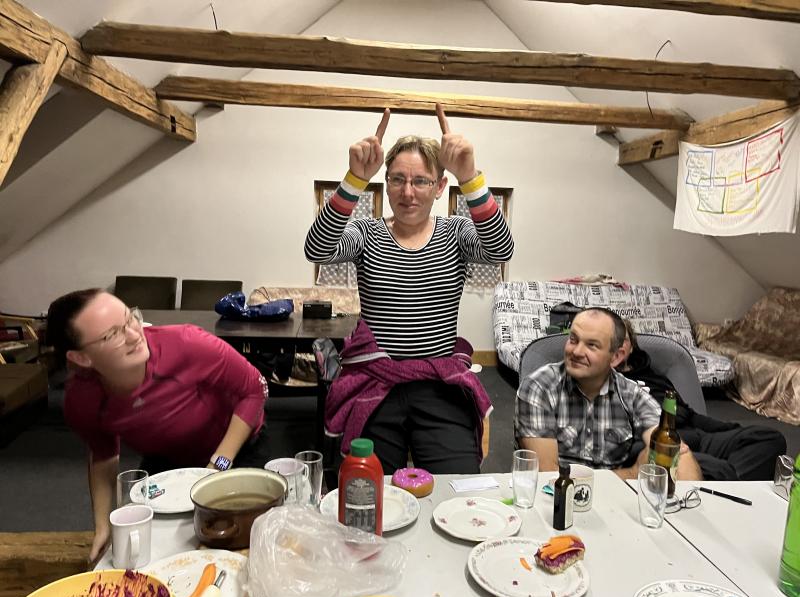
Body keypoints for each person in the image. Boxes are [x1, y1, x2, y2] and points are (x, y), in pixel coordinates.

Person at [305, 105, 514, 474]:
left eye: (420, 181)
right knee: (367, 487)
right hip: (377, 382)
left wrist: (469, 176)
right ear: (386, 184)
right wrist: (354, 180)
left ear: (439, 187)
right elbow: (317, 249)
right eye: (398, 180)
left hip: (438, 383)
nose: (408, 192)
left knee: (457, 488)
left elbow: (500, 249)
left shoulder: (455, 233)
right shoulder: (367, 232)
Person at [46, 289, 270, 561]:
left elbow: (255, 388)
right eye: (112, 335)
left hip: (235, 449)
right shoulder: (82, 400)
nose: (134, 335)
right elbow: (103, 454)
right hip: (167, 461)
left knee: (238, 540)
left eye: (130, 318)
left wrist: (217, 466)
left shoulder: (186, 343)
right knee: (162, 550)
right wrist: (103, 526)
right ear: (81, 358)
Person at [515, 307, 703, 481]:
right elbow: (548, 477)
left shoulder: (632, 394)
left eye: (592, 345)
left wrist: (683, 489)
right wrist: (632, 473)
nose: (577, 351)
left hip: (612, 498)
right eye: (573, 339)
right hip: (554, 500)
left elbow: (675, 453)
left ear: (616, 357)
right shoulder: (539, 388)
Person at [618, 319, 786, 481]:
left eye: (623, 339)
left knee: (769, 439)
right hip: (658, 443)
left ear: (631, 347)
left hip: (696, 436)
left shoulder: (653, 377)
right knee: (717, 468)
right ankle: (721, 480)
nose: (617, 345)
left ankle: (718, 484)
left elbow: (689, 414)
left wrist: (731, 430)